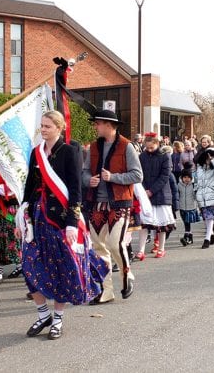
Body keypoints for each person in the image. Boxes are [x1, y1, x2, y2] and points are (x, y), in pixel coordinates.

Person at [19, 110, 108, 340]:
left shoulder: (69, 152)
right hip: (37, 218)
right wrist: (22, 214)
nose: (43, 129)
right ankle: (43, 314)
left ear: (59, 128)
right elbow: (30, 185)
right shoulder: (36, 152)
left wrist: (71, 223)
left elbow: (76, 189)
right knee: (29, 266)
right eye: (42, 125)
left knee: (61, 269)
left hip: (59, 220)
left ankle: (57, 318)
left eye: (48, 126)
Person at [82, 109, 143, 305]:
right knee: (98, 246)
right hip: (96, 202)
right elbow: (84, 171)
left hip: (119, 202)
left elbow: (138, 175)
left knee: (115, 243)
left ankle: (127, 276)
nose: (95, 126)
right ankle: (105, 291)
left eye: (98, 123)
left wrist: (113, 177)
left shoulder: (127, 146)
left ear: (108, 125)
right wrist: (88, 180)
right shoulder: (93, 147)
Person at [136, 135, 176, 259]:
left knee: (162, 224)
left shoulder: (165, 156)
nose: (149, 150)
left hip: (161, 194)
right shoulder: (142, 156)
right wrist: (143, 190)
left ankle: (161, 248)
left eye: (151, 147)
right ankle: (141, 250)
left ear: (157, 144)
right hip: (145, 193)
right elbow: (139, 174)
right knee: (144, 223)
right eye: (147, 147)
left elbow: (165, 176)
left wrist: (152, 191)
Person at [195, 148, 214, 249]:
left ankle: (207, 238)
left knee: (209, 217)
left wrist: (213, 159)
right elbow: (197, 181)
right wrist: (196, 192)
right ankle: (211, 232)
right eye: (207, 158)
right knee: (205, 217)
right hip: (202, 197)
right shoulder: (200, 168)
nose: (208, 160)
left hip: (212, 195)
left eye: (210, 158)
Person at [177, 170, 199, 246]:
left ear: (191, 178)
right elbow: (177, 195)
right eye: (185, 177)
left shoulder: (193, 185)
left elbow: (196, 196)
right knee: (185, 222)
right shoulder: (179, 185)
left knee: (187, 222)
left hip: (191, 207)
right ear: (182, 178)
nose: (186, 179)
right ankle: (190, 237)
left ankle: (186, 236)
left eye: (188, 177)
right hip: (182, 207)